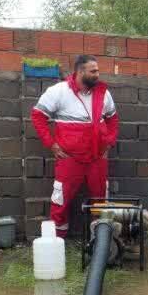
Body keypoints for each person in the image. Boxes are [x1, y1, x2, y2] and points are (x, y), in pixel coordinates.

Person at [30, 55, 118, 237]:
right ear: (80, 72)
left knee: (100, 200)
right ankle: (57, 242)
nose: (97, 74)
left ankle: (99, 241)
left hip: (97, 158)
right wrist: (51, 144)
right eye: (93, 71)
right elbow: (38, 116)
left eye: (98, 70)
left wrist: (109, 142)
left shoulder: (103, 93)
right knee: (60, 200)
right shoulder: (59, 91)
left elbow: (112, 119)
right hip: (70, 159)